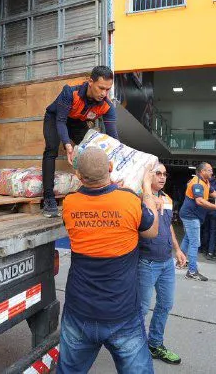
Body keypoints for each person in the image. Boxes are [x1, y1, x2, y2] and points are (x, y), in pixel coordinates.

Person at [59, 148, 159, 373]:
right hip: (122, 315)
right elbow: (152, 231)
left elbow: (86, 197)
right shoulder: (129, 200)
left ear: (78, 176)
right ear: (111, 168)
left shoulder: (70, 203)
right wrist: (146, 189)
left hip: (79, 312)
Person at [42, 66, 117, 218]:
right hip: (56, 117)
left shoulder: (107, 106)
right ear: (91, 82)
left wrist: (116, 155)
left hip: (77, 122)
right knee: (51, 150)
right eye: (101, 88)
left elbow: (113, 138)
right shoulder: (70, 92)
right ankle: (48, 198)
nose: (104, 93)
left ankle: (94, 194)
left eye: (108, 89)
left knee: (92, 152)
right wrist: (68, 145)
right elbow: (61, 121)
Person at [138, 163, 186, 365]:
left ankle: (155, 344)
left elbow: (168, 227)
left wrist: (177, 249)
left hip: (166, 262)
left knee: (165, 304)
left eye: (165, 174)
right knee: (140, 308)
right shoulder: (139, 197)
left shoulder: (167, 199)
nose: (162, 177)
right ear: (148, 175)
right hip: (147, 262)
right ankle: (136, 347)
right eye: (157, 173)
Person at [179, 162, 216, 281]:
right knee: (195, 243)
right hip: (191, 216)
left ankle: (180, 262)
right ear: (202, 171)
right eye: (209, 170)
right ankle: (192, 272)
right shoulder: (197, 183)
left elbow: (214, 193)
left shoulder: (206, 182)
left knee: (188, 238)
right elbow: (200, 201)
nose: (211, 172)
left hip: (193, 215)